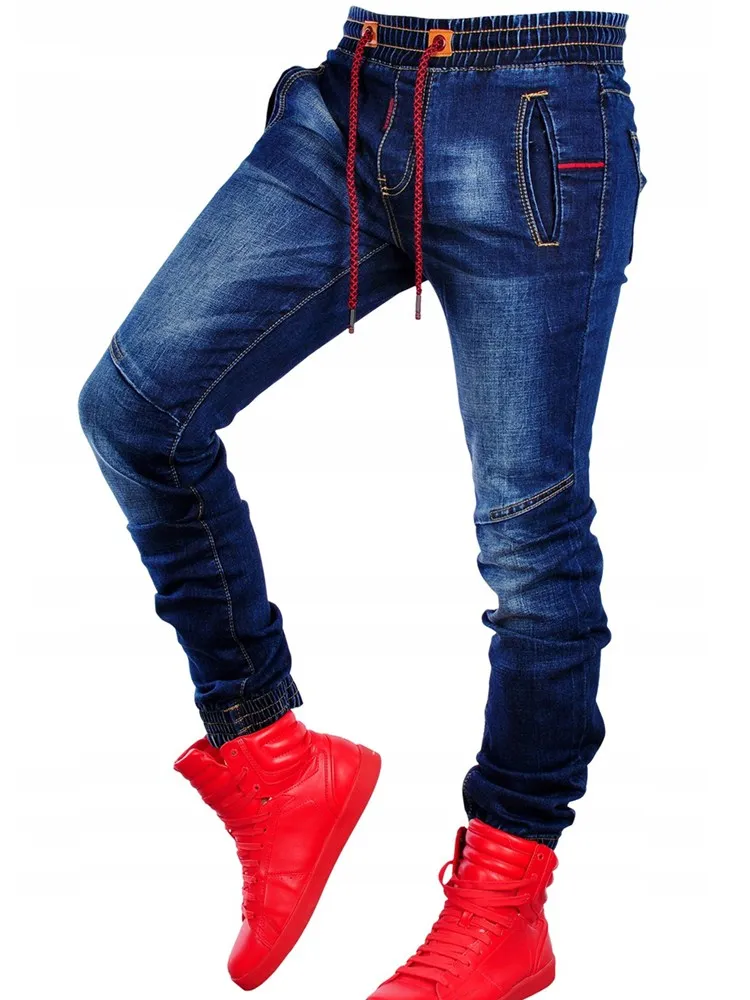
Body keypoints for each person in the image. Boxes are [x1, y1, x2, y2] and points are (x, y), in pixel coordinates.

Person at [78, 7, 644, 997]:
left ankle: (506, 902)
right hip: (357, 92)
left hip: (537, 107)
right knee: (136, 409)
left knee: (531, 535)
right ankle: (272, 757)